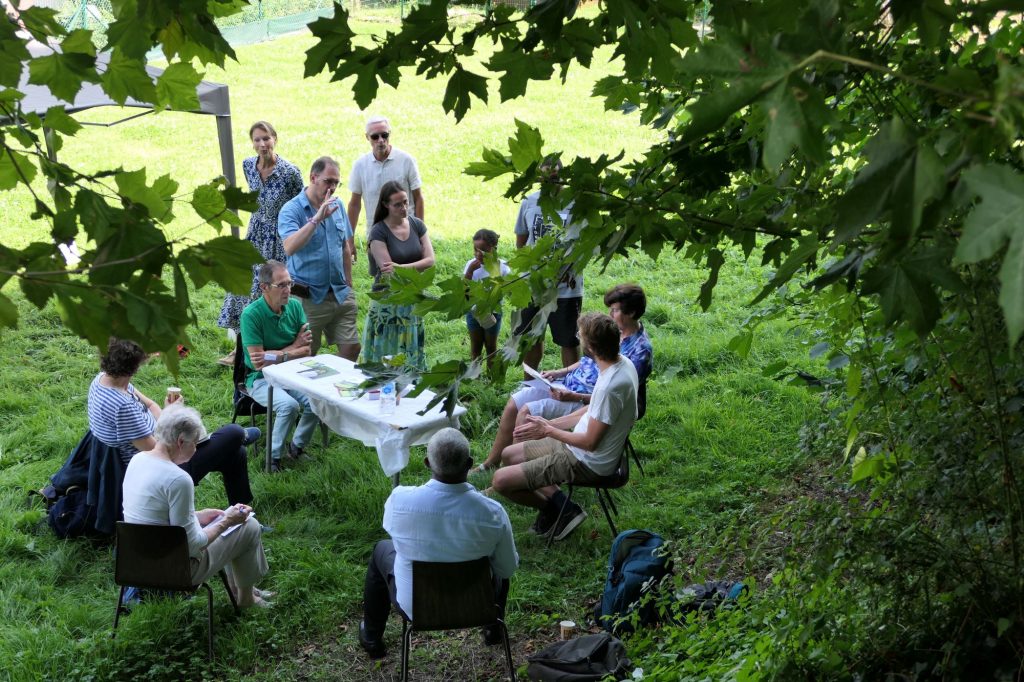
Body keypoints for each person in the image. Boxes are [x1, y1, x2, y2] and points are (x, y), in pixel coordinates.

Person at [358, 428, 519, 659]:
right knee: (501, 563)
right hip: (478, 606)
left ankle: (372, 637)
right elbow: (507, 569)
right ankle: (492, 629)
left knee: (382, 550)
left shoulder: (400, 501)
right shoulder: (493, 513)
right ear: (469, 464)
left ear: (427, 462)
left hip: (416, 608)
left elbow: (392, 533)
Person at [492, 313, 638, 541]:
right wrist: (550, 424)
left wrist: (548, 431)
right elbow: (590, 411)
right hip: (579, 448)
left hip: (587, 463)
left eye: (580, 335)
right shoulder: (620, 364)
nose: (577, 337)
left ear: (590, 347)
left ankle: (556, 510)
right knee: (509, 454)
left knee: (500, 481)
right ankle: (562, 506)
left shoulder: (609, 386)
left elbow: (590, 443)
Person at [478, 284, 652, 473]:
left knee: (526, 412)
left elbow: (616, 395)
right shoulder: (613, 330)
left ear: (632, 312)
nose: (610, 314)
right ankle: (492, 462)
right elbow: (588, 360)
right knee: (514, 403)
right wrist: (560, 372)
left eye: (615, 310)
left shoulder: (639, 351)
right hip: (566, 386)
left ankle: (514, 471)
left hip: (583, 398)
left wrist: (573, 397)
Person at [122, 405, 271, 608]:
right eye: (196, 443)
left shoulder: (137, 460)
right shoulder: (178, 479)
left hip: (135, 563)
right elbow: (193, 545)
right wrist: (227, 521)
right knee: (248, 526)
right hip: (175, 571)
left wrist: (197, 516)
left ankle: (242, 589)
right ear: (181, 442)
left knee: (227, 525)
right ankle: (245, 599)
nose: (197, 449)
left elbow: (152, 515)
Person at [87, 338, 257, 505]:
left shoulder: (106, 380)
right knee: (233, 433)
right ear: (136, 364)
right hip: (159, 470)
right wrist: (176, 422)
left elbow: (152, 405)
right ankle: (239, 436)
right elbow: (158, 452)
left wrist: (168, 413)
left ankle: (242, 515)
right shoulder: (121, 406)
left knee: (236, 452)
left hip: (161, 448)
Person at [216, 121, 303, 366]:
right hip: (255, 234)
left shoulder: (289, 172)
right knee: (242, 288)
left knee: (263, 292)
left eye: (266, 138)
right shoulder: (248, 165)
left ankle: (266, 351)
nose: (262, 144)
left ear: (275, 138)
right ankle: (239, 352)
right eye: (257, 140)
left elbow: (300, 205)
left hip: (277, 239)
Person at [277, 156, 360, 361]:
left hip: (340, 293)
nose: (332, 187)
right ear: (313, 177)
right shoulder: (292, 209)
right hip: (308, 298)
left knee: (352, 349)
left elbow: (344, 246)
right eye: (328, 181)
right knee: (304, 355)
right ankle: (305, 393)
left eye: (336, 183)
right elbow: (289, 247)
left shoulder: (337, 205)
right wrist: (316, 220)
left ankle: (333, 391)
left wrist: (348, 283)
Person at [240, 260, 319, 473]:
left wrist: (277, 354)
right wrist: (293, 348)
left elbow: (307, 352)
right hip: (259, 378)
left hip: (291, 373)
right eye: (281, 285)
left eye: (290, 283)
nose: (288, 290)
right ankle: (273, 459)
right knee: (289, 406)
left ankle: (297, 447)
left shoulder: (294, 306)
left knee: (317, 399)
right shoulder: (251, 314)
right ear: (264, 288)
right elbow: (258, 361)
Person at [513, 158, 584, 374]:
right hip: (533, 285)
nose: (549, 182)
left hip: (567, 288)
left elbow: (585, 245)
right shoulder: (529, 202)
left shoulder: (576, 204)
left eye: (553, 177)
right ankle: (529, 384)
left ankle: (573, 385)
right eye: (544, 178)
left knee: (568, 340)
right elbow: (521, 243)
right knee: (532, 338)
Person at [361, 180, 435, 370]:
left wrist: (402, 267)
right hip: (387, 302)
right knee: (385, 353)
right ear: (386, 205)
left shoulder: (417, 225)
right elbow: (389, 272)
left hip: (411, 298)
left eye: (405, 202)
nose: (404, 207)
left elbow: (431, 261)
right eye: (398, 204)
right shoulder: (378, 232)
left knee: (409, 351)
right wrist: (414, 268)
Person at [347, 115, 424, 259]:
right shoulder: (360, 165)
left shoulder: (406, 160)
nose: (381, 140)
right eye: (375, 136)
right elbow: (354, 204)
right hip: (377, 235)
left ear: (390, 134)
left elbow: (418, 198)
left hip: (406, 233)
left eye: (385, 135)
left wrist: (420, 234)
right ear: (367, 138)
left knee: (408, 277)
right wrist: (349, 239)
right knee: (381, 279)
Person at [464, 228, 511, 364]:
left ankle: (492, 376)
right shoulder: (471, 265)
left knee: (491, 346)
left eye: (483, 250)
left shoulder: (502, 267)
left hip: (493, 313)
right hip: (473, 312)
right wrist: (469, 272)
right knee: (475, 346)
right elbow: (464, 290)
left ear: (493, 248)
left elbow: (510, 288)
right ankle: (475, 376)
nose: (478, 254)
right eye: (475, 249)